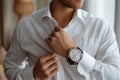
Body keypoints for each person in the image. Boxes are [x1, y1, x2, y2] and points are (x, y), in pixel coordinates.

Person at [3, 0, 120, 80]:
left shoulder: (101, 28)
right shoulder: (26, 26)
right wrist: (33, 75)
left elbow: (115, 75)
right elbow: (10, 68)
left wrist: (73, 53)